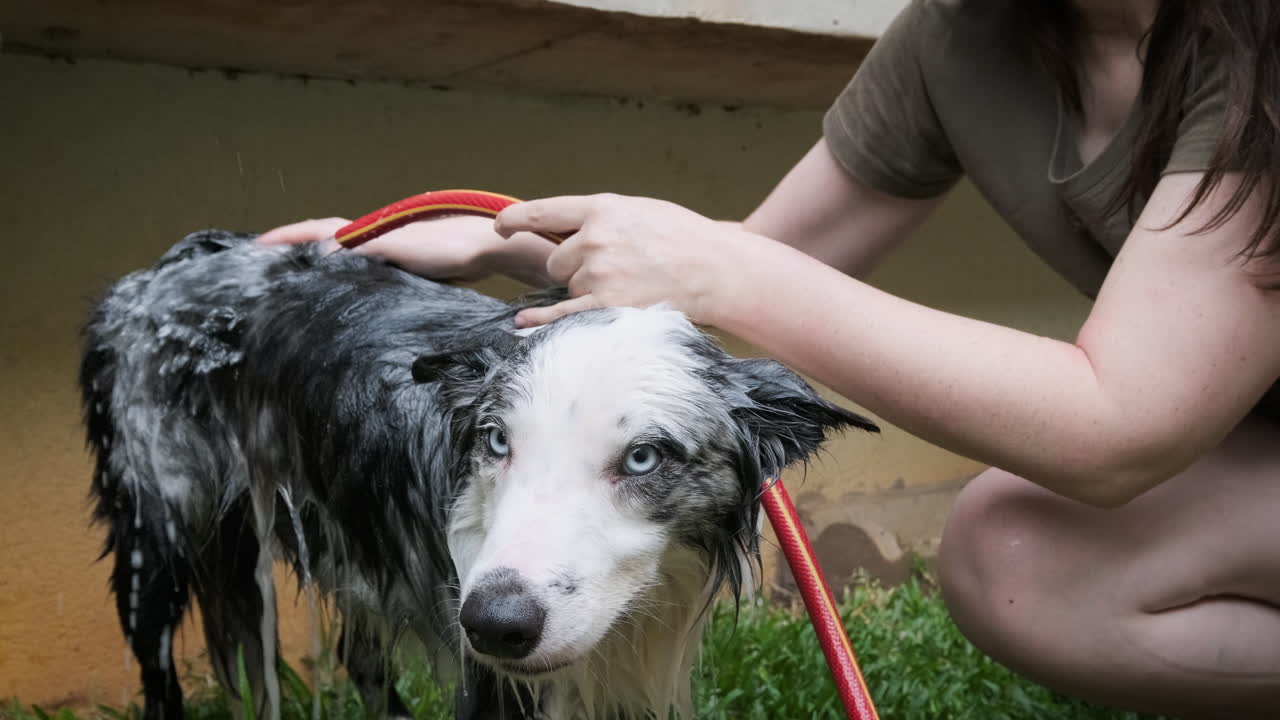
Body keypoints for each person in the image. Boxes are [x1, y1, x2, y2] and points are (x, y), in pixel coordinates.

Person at [258, 0, 1280, 715]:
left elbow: (1118, 424)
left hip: (1174, 439)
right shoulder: (966, 33)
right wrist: (493, 239)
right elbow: (760, 257)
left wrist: (728, 276)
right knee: (1014, 561)